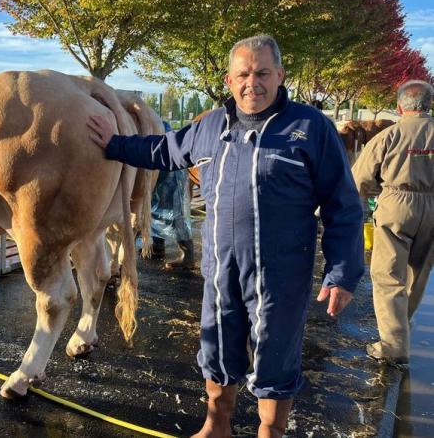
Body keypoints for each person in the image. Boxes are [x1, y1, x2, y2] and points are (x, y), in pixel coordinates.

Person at [87, 35, 364, 438]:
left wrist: (342, 273)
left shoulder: (310, 128)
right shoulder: (211, 126)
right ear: (229, 80)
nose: (253, 82)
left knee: (275, 356)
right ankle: (217, 426)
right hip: (220, 269)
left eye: (263, 72)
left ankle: (270, 431)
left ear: (280, 75)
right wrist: (113, 143)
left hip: (280, 275)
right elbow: (164, 150)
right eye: (244, 74)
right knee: (216, 347)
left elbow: (344, 204)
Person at [352, 80, 434, 365]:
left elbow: (358, 180)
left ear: (400, 107)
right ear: (428, 105)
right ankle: (402, 325)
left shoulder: (390, 136)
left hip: (397, 206)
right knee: (418, 273)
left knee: (388, 276)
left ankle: (394, 344)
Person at [150, 120, 196, 270]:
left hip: (171, 173)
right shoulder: (159, 126)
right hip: (162, 169)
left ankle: (188, 256)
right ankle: (157, 246)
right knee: (155, 209)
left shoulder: (160, 130)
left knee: (175, 214)